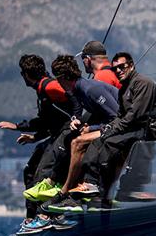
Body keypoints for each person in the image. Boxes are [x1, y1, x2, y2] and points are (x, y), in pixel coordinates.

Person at [0, 54, 80, 236]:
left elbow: (75, 99)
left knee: (42, 174)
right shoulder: (42, 89)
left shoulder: (49, 85)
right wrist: (31, 136)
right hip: (55, 133)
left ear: (27, 74)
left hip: (65, 134)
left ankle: (52, 215)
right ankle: (30, 218)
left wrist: (76, 120)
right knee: (29, 169)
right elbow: (47, 121)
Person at [66, 52, 156, 208]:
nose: (118, 71)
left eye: (122, 67)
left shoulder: (144, 83)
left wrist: (111, 130)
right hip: (132, 127)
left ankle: (105, 189)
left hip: (149, 130)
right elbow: (120, 115)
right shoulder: (124, 88)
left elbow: (135, 116)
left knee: (110, 142)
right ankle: (91, 184)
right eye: (115, 68)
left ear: (131, 66)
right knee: (99, 140)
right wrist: (107, 128)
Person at [41, 54, 119, 213]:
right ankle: (61, 184)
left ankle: (65, 193)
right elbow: (79, 110)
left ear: (63, 77)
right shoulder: (77, 90)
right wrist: (76, 120)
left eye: (57, 78)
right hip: (111, 126)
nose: (56, 82)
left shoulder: (91, 89)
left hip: (123, 127)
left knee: (78, 142)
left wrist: (90, 128)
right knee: (71, 137)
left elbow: (117, 118)